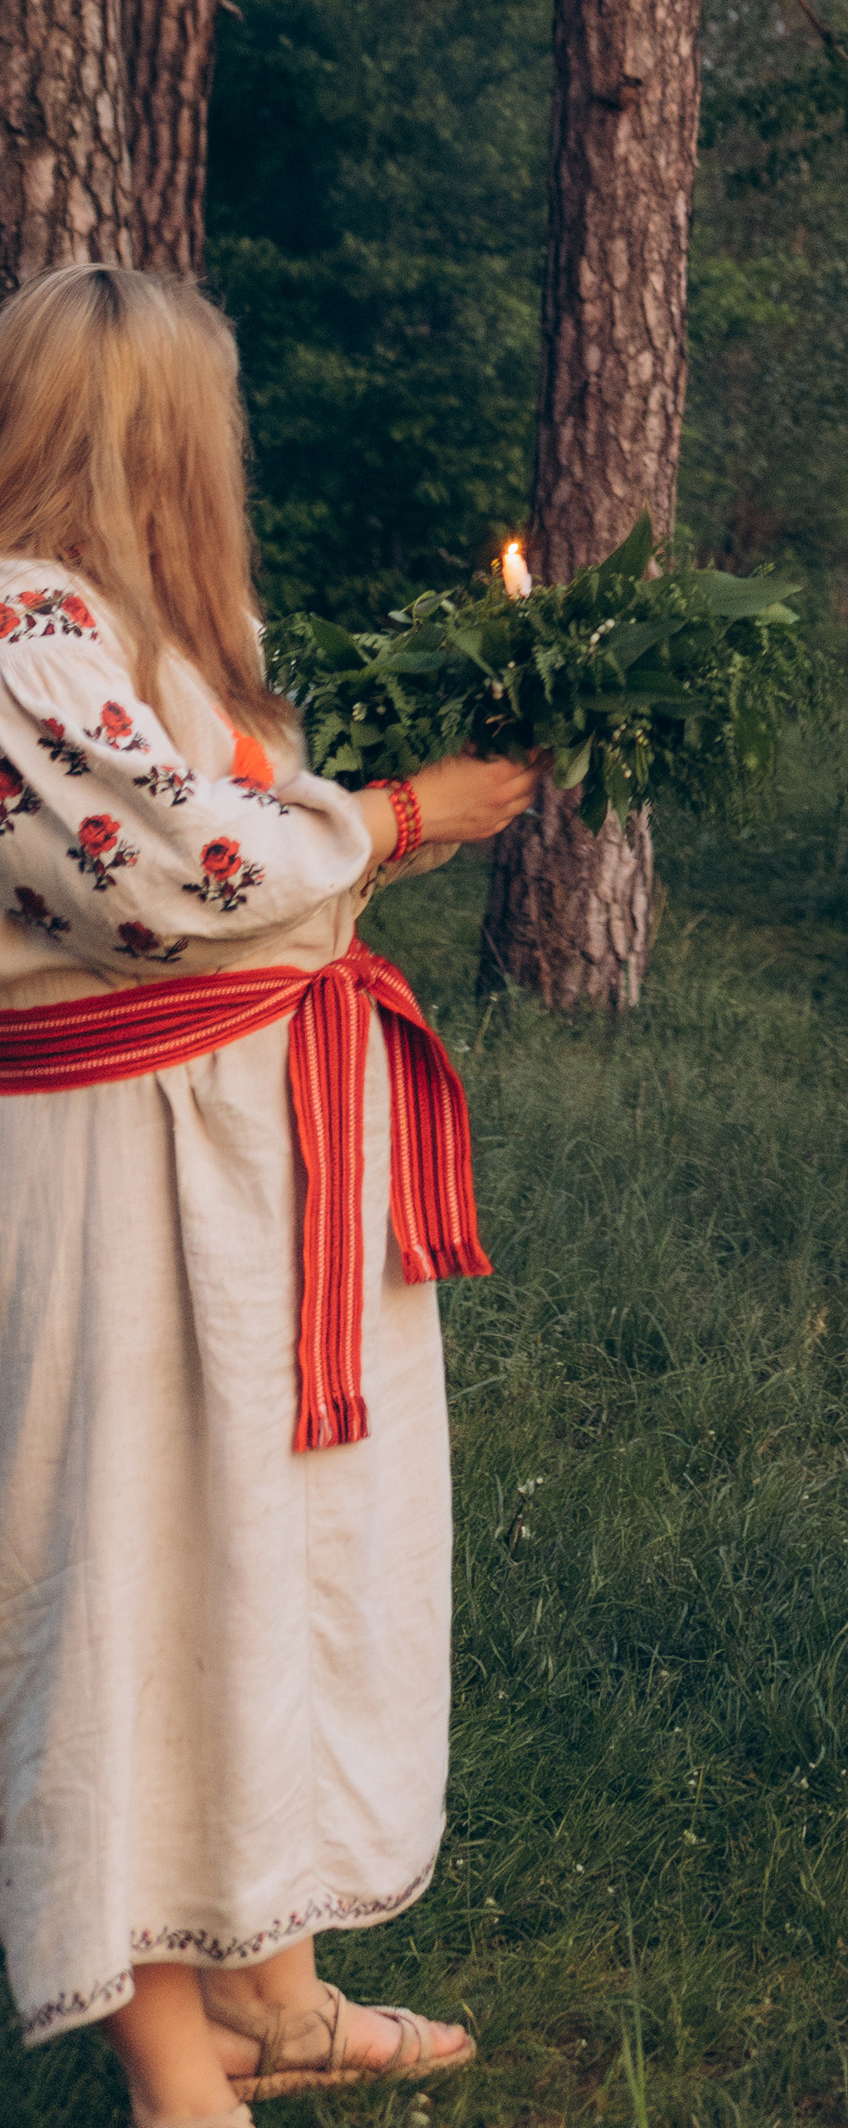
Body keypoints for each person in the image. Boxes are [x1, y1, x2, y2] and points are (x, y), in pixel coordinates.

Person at [0, 265, 538, 2124]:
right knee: (136, 1561)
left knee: (273, 1551)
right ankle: (170, 2058)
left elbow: (255, 866)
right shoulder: (17, 622)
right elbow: (174, 870)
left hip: (253, 1158)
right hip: (117, 1171)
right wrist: (398, 814)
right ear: (147, 425)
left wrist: (363, 829)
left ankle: (276, 1984)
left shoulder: (171, 626)